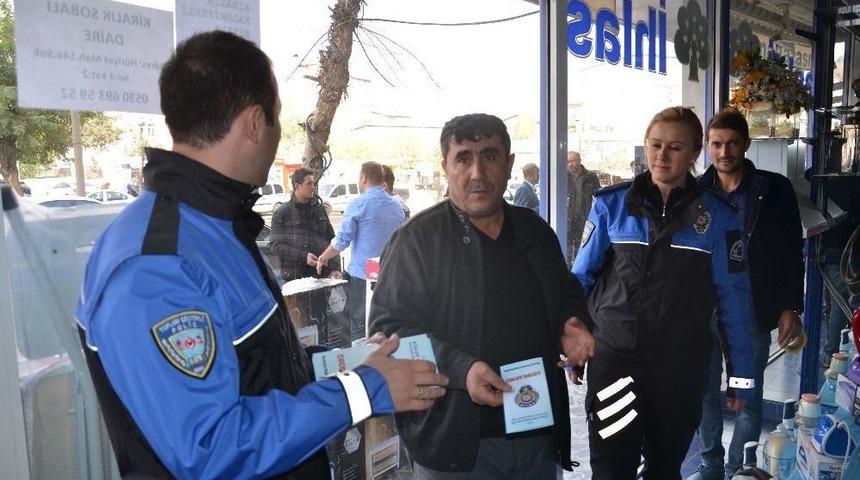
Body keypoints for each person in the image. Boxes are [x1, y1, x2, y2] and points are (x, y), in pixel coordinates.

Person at [74, 31, 447, 480]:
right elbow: (210, 450)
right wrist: (365, 390)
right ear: (254, 123)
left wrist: (345, 362)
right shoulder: (158, 262)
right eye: (277, 117)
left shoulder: (217, 227)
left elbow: (254, 373)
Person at [369, 113, 594, 479]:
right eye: (463, 158)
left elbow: (565, 290)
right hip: (455, 444)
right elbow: (390, 335)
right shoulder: (416, 241)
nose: (477, 172)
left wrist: (570, 322)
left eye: (489, 156)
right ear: (445, 167)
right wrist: (462, 369)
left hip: (535, 432)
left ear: (508, 165)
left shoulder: (534, 232)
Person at [572, 106, 755, 479]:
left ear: (693, 154)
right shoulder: (611, 206)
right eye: (655, 145)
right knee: (611, 470)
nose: (662, 155)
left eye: (674, 147)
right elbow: (582, 280)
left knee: (664, 468)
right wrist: (575, 342)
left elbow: (733, 299)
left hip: (679, 369)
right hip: (616, 364)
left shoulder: (718, 218)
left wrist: (740, 377)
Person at [689, 110, 805, 480]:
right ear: (707, 147)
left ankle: (739, 464)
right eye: (717, 144)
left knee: (747, 394)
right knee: (705, 393)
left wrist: (790, 305)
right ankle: (710, 464)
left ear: (746, 144)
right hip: (704, 313)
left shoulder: (773, 190)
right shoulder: (692, 194)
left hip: (750, 313)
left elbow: (791, 249)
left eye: (732, 143)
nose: (724, 152)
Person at [316, 161, 405, 340]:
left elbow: (342, 240)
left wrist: (323, 257)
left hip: (363, 277)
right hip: (390, 275)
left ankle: (362, 364)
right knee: (386, 325)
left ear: (363, 178)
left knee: (359, 326)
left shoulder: (358, 204)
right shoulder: (397, 207)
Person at [269, 167, 340, 282]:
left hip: (321, 275)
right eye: (309, 184)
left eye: (314, 183)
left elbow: (333, 240)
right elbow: (276, 246)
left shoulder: (319, 209)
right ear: (297, 186)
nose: (313, 187)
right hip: (295, 278)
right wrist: (303, 256)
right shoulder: (282, 213)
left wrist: (336, 268)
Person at [566, 150, 601, 265]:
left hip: (584, 220)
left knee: (582, 248)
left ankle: (578, 272)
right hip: (567, 220)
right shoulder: (563, 177)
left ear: (580, 161)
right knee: (566, 248)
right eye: (568, 162)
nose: (570, 164)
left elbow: (599, 198)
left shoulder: (591, 177)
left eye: (573, 161)